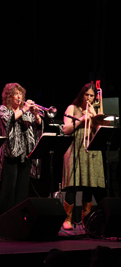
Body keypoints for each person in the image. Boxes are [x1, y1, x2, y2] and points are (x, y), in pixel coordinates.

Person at [61, 83, 105, 230]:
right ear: (82, 94)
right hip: (75, 148)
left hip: (91, 150)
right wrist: (82, 119)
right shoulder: (72, 108)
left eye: (92, 96)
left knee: (89, 186)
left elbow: (100, 131)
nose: (89, 98)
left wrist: (94, 117)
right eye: (87, 95)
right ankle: (67, 219)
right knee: (72, 185)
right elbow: (66, 129)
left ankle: (85, 219)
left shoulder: (95, 110)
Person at [0, 83, 43, 215]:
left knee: (22, 190)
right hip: (10, 154)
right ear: (9, 96)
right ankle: (5, 219)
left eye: (20, 93)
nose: (19, 96)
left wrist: (37, 115)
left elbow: (37, 127)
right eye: (16, 93)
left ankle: (19, 219)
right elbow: (7, 120)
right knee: (8, 190)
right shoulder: (3, 109)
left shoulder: (27, 112)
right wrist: (24, 110)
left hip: (26, 154)